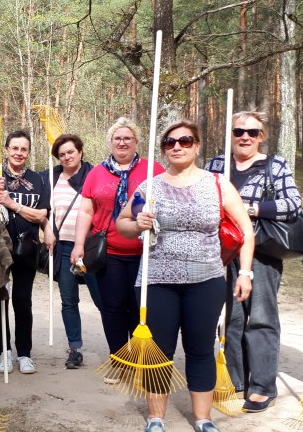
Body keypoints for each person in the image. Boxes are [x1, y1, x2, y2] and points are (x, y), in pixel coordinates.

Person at [117, 120, 254, 432]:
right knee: (159, 351)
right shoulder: (149, 187)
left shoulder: (217, 184)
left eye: (185, 140)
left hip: (205, 280)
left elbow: (245, 230)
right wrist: (137, 223)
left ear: (197, 145)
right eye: (170, 142)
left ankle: (203, 419)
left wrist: (244, 272)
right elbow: (122, 224)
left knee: (200, 348)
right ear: (164, 148)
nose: (177, 146)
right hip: (157, 281)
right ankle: (155, 419)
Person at [204, 111, 303, 412]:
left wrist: (249, 208)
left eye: (252, 132)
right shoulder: (217, 165)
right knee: (230, 318)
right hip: (223, 251)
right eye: (238, 131)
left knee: (260, 316)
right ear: (230, 134)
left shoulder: (275, 165)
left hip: (262, 251)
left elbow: (292, 203)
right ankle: (236, 380)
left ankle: (262, 385)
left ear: (262, 136)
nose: (245, 137)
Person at [69, 117, 164, 381]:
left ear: (136, 142)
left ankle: (140, 358)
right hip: (109, 252)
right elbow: (86, 210)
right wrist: (78, 244)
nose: (122, 142)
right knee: (112, 307)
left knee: (138, 307)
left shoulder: (152, 170)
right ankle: (120, 360)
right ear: (110, 142)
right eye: (117, 138)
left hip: (146, 253)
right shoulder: (97, 173)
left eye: (127, 138)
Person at [0, 130, 50, 374]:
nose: (19, 153)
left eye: (24, 149)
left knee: (23, 301)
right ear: (6, 148)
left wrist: (13, 204)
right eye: (15, 148)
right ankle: (4, 352)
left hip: (26, 248)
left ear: (28, 152)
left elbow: (41, 214)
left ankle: (24, 353)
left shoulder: (38, 179)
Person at [41, 133, 102, 369]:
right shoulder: (51, 177)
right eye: (62, 154)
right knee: (69, 300)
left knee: (102, 299)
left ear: (80, 152)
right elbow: (45, 210)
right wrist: (47, 228)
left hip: (90, 247)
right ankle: (75, 348)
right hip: (64, 247)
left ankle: (119, 346)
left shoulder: (93, 175)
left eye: (71, 152)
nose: (66, 157)